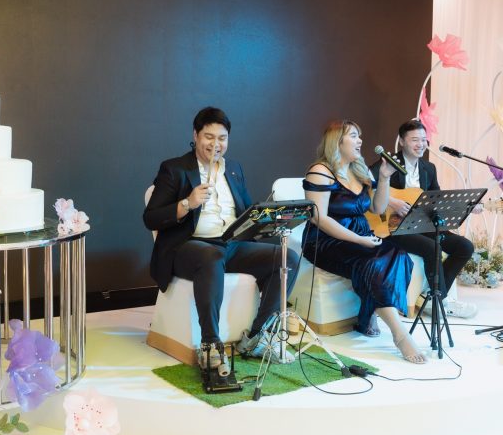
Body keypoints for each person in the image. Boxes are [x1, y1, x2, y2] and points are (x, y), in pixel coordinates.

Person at [143, 107, 299, 369]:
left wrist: (263, 221)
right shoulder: (174, 169)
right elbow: (151, 218)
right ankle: (211, 345)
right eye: (209, 137)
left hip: (230, 245)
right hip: (188, 248)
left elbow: (247, 210)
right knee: (211, 255)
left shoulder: (234, 169)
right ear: (195, 135)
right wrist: (187, 203)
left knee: (287, 257)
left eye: (222, 138)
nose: (216, 144)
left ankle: (257, 337)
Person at [303, 120, 426, 363]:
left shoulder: (359, 169)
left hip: (360, 234)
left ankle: (370, 309)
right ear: (337, 141)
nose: (360, 141)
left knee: (397, 254)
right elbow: (319, 218)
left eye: (359, 136)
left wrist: (384, 178)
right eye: (353, 136)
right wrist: (359, 239)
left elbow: (378, 208)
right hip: (326, 240)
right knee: (373, 261)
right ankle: (400, 334)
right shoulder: (320, 171)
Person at [370, 120, 476, 318]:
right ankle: (438, 303)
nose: (421, 144)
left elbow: (436, 199)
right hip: (391, 227)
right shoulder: (387, 164)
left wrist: (466, 206)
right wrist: (392, 201)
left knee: (465, 247)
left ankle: (433, 296)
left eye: (423, 140)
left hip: (419, 223)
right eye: (414, 140)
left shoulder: (429, 168)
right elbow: (365, 188)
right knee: (432, 247)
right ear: (402, 141)